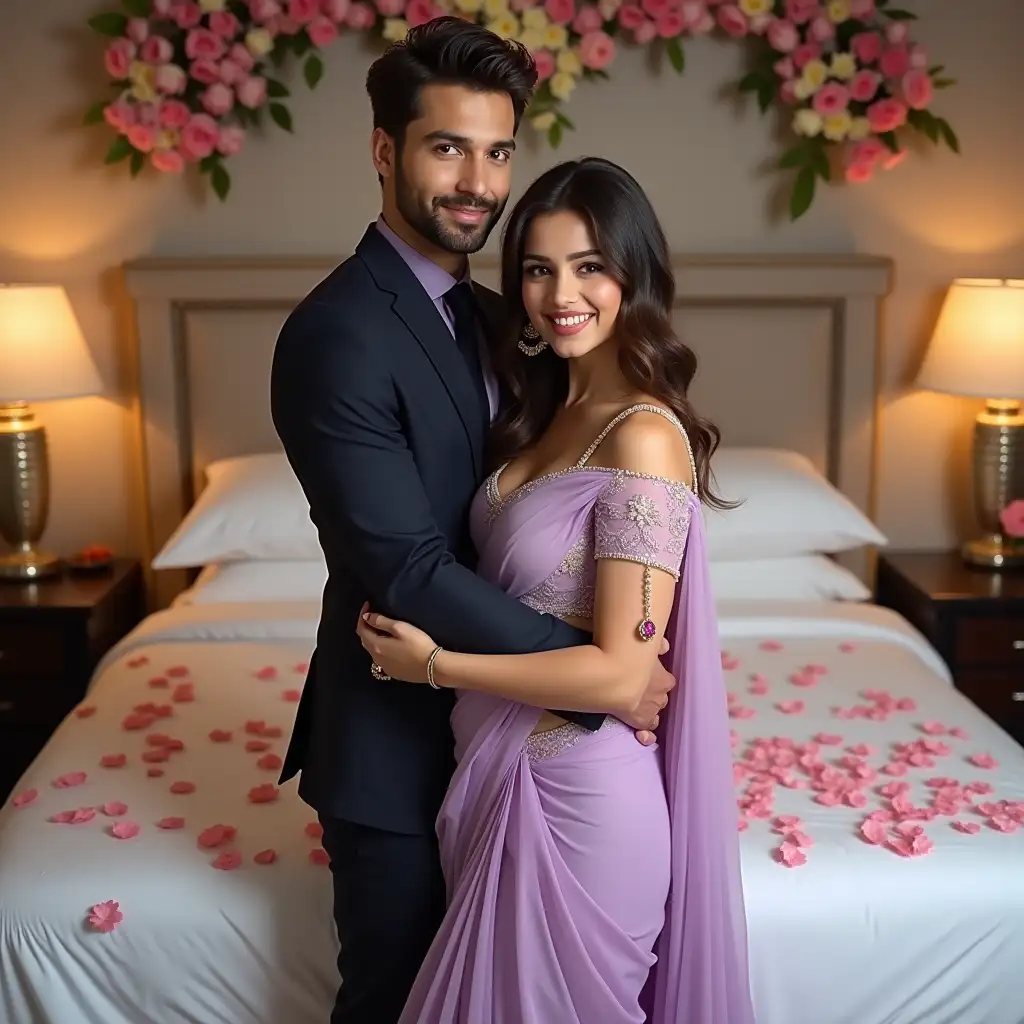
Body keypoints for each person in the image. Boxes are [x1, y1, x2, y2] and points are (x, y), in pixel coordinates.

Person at [269, 19, 676, 1024]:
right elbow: (406, 565)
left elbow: (598, 478)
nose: (478, 183)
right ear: (383, 150)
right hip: (398, 746)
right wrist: (599, 674)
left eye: (497, 152)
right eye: (446, 146)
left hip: (543, 758)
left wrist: (609, 661)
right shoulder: (336, 334)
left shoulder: (509, 320)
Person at [357, 156, 756, 1023]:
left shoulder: (644, 437)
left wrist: (436, 666)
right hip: (490, 784)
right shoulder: (534, 411)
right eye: (538, 267)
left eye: (589, 267)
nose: (559, 292)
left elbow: (620, 678)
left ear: (632, 277)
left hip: (580, 806)